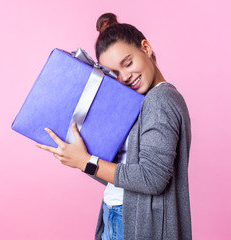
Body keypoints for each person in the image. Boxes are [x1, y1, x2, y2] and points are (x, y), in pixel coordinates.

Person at [35, 13, 192, 240]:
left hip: (132, 222)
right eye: (115, 74)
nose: (126, 76)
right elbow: (122, 173)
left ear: (146, 48)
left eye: (128, 63)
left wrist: (86, 162)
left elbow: (152, 179)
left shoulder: (160, 100)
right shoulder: (140, 103)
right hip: (117, 213)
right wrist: (78, 158)